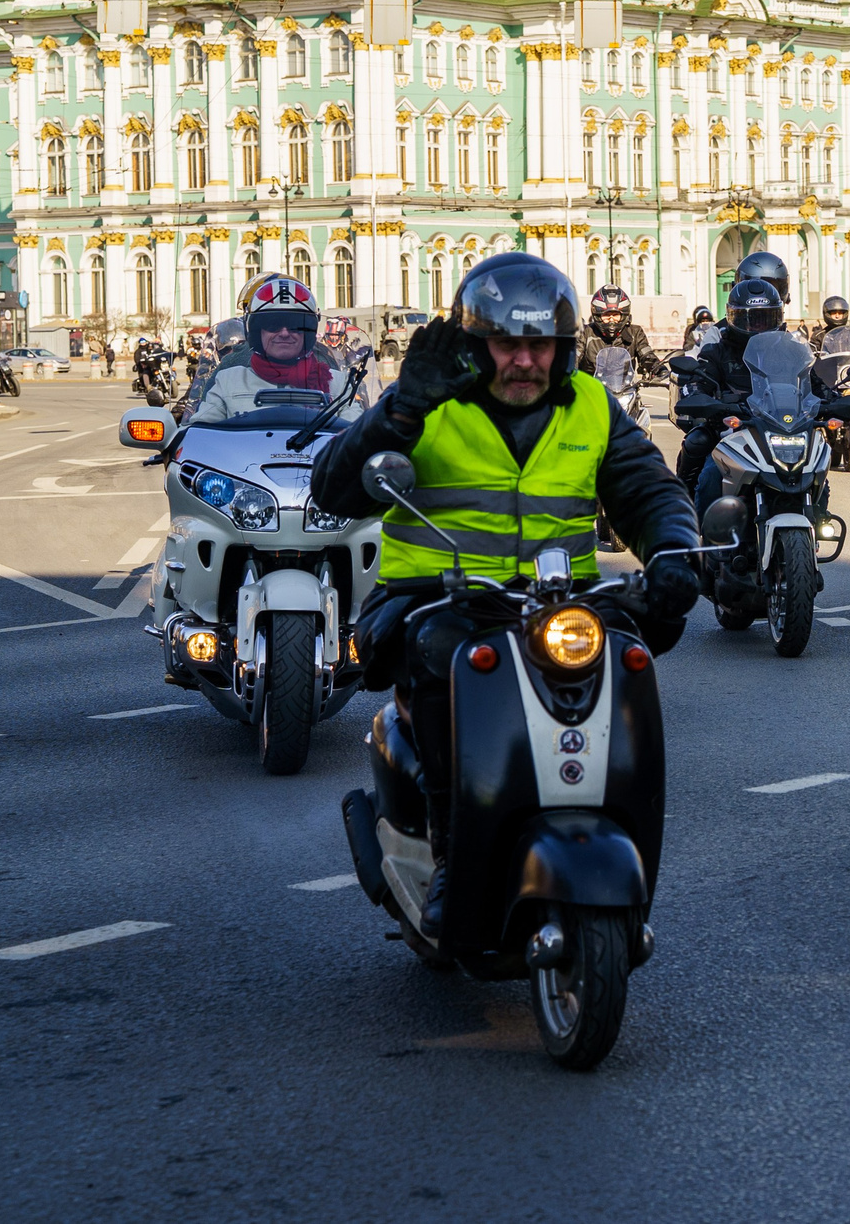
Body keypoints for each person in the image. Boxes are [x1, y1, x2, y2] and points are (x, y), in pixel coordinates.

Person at [311, 253, 699, 932]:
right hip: (431, 598)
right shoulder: (428, 400)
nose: (524, 359)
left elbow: (648, 488)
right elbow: (334, 488)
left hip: (560, 602)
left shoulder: (591, 407)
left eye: (539, 344)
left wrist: (672, 552)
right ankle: (449, 857)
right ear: (475, 343)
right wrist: (399, 411)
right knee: (449, 655)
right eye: (507, 343)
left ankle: (623, 831)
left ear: (563, 346)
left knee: (637, 645)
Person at [672, 277, 787, 515]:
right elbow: (698, 381)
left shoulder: (787, 350)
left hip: (778, 429)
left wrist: (833, 398)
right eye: (751, 320)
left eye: (765, 320)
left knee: (814, 462)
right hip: (732, 431)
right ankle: (687, 518)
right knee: (707, 470)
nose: (758, 327)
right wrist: (700, 398)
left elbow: (812, 382)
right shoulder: (718, 350)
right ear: (736, 319)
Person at [187, 274, 349, 423]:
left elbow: (359, 435)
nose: (285, 333)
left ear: (309, 332)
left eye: (295, 325)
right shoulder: (228, 381)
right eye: (273, 324)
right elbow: (199, 431)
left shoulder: (338, 384)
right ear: (257, 332)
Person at [577, 286, 663, 380]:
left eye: (615, 315)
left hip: (625, 389)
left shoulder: (635, 332)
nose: (611, 319)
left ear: (623, 315)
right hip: (592, 388)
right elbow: (574, 357)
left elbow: (647, 354)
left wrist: (658, 369)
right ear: (598, 316)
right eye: (606, 315)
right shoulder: (585, 333)